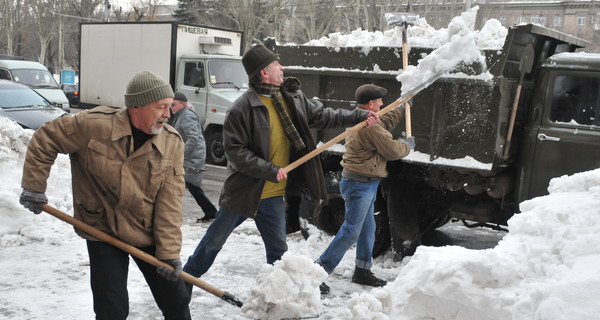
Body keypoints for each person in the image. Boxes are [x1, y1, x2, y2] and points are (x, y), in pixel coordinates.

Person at [183, 45, 379, 290]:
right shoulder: (241, 108)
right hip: (244, 193)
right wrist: (269, 169)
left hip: (273, 195)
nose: (282, 67)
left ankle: (285, 294)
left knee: (278, 252)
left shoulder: (292, 98)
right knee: (213, 242)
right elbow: (235, 152)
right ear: (264, 72)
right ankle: (185, 280)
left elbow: (324, 116)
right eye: (277, 64)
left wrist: (358, 116)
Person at [19, 70, 192, 320]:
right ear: (136, 106)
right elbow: (46, 138)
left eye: (169, 106)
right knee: (112, 307)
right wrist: (35, 186)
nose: (168, 114)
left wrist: (169, 252)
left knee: (176, 299)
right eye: (161, 107)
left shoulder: (171, 143)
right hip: (103, 228)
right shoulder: (94, 125)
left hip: (147, 228)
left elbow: (170, 201)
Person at [316, 84, 415, 294]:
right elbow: (392, 149)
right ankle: (316, 272)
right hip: (359, 184)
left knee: (367, 229)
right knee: (351, 231)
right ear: (371, 104)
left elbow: (384, 121)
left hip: (367, 183)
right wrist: (408, 145)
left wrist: (400, 107)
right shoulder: (368, 126)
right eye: (380, 101)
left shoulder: (367, 119)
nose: (382, 104)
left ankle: (362, 270)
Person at [170, 91, 218, 222]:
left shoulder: (186, 116)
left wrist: (180, 154)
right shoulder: (182, 115)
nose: (171, 107)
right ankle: (210, 212)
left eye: (173, 104)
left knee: (191, 185)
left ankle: (211, 212)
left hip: (192, 156)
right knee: (188, 185)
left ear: (183, 104)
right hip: (191, 155)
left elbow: (193, 138)